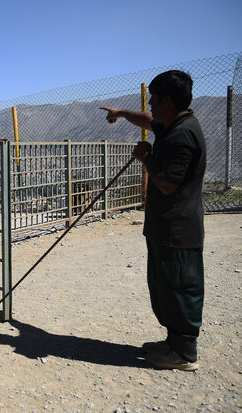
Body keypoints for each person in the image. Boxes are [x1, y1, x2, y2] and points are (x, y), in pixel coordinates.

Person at [100, 70, 206, 371]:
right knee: (164, 286)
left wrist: (145, 157)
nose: (150, 103)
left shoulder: (183, 135)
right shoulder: (173, 124)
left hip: (178, 227)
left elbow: (169, 184)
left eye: (154, 99)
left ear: (168, 100)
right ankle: (174, 341)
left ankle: (184, 351)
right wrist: (121, 114)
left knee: (179, 287)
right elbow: (148, 121)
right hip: (165, 225)